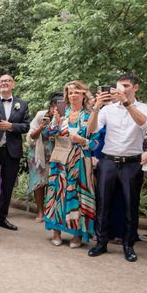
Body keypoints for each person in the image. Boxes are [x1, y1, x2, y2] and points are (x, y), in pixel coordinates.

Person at [87, 73, 147, 262]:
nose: (121, 89)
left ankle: (128, 245)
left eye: (125, 85)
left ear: (135, 87)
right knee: (103, 203)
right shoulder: (107, 110)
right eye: (119, 86)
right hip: (108, 161)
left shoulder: (146, 108)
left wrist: (127, 103)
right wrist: (96, 108)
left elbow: (144, 123)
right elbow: (91, 130)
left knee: (130, 205)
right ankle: (101, 242)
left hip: (132, 162)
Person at [43, 81, 97, 248]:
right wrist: (55, 122)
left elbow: (96, 143)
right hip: (60, 161)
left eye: (76, 92)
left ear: (83, 95)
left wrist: (84, 141)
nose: (73, 95)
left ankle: (77, 234)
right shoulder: (62, 114)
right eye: (70, 93)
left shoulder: (89, 116)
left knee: (78, 195)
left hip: (80, 161)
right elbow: (48, 134)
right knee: (57, 194)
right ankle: (56, 232)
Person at [0, 75, 30, 231]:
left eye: (7, 81)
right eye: (1, 81)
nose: (4, 83)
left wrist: (11, 126)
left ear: (13, 84)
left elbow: (26, 126)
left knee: (8, 186)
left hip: (12, 151)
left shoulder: (21, 104)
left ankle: (1, 218)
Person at [27, 93, 61, 222]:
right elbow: (32, 136)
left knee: (53, 182)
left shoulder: (65, 118)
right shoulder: (41, 115)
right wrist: (41, 127)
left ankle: (51, 211)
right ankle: (40, 212)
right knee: (38, 183)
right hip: (38, 154)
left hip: (56, 153)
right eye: (54, 106)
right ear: (51, 106)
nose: (56, 109)